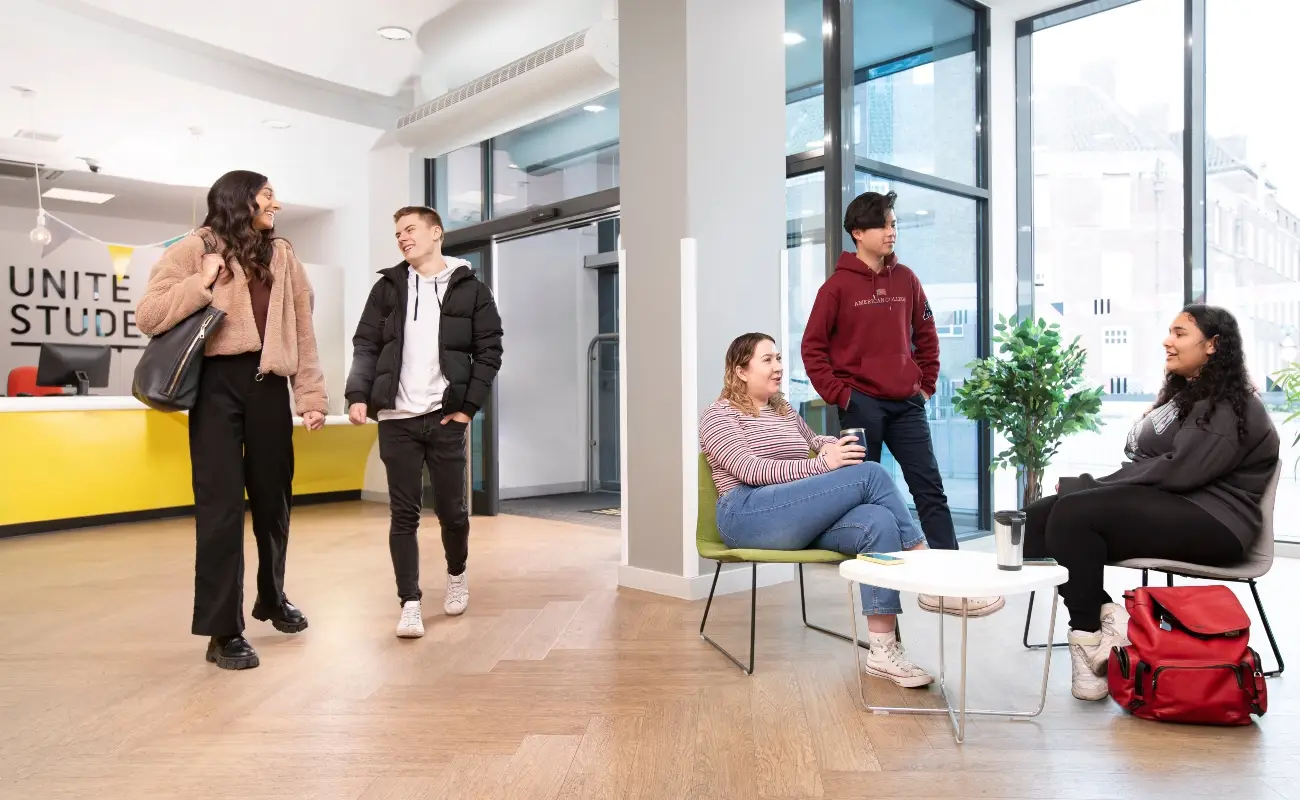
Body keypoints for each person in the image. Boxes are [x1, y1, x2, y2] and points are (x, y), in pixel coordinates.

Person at [1025, 305, 1279, 701]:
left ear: (1213, 345)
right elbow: (1157, 465)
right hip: (1173, 505)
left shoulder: (1230, 406)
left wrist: (1090, 485)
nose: (1167, 341)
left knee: (1074, 513)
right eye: (1169, 332)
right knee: (1037, 518)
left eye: (1179, 334)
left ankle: (1090, 640)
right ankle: (1106, 625)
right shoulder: (1189, 396)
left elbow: (1179, 471)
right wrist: (1090, 487)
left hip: (1217, 521)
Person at [137, 170, 328, 671]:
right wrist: (202, 281)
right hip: (217, 388)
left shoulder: (282, 254)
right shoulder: (195, 246)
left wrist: (309, 394)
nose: (276, 204)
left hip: (269, 386)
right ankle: (223, 631)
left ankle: (272, 597)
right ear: (241, 199)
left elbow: (302, 326)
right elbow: (150, 315)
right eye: (267, 195)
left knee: (274, 504)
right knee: (221, 510)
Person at [801, 190, 1002, 618]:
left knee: (930, 491)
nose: (892, 232)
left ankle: (953, 586)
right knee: (865, 505)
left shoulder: (907, 278)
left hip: (906, 404)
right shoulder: (836, 288)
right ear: (858, 232)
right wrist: (844, 396)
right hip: (861, 407)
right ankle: (880, 612)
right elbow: (812, 349)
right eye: (884, 225)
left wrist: (925, 385)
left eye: (894, 224)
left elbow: (926, 336)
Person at [700, 332, 933, 688]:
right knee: (870, 473)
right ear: (740, 370)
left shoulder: (783, 409)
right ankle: (928, 570)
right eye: (767, 360)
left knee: (879, 521)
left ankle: (883, 651)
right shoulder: (718, 416)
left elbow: (812, 442)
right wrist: (823, 465)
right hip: (746, 514)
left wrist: (832, 445)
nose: (778, 367)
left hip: (794, 514)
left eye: (778, 358)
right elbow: (751, 470)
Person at [345, 206, 503, 638]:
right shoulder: (387, 288)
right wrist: (358, 394)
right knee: (403, 514)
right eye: (397, 232)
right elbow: (366, 345)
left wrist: (468, 408)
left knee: (453, 511)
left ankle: (456, 574)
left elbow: (490, 352)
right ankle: (410, 601)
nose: (402, 238)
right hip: (397, 418)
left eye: (410, 229)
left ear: (436, 233)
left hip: (444, 416)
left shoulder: (472, 290)